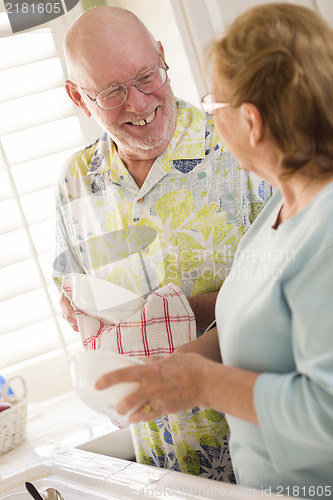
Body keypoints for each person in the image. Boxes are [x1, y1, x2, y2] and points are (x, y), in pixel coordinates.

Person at [94, 3, 333, 496]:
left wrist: (203, 386)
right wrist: (179, 366)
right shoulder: (281, 209)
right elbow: (258, 318)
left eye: (211, 107)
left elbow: (327, 412)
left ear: (251, 122)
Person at [53, 6, 272, 481]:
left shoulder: (242, 148)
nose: (137, 103)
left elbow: (292, 298)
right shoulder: (75, 183)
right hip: (159, 464)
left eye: (146, 76)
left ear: (162, 56)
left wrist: (175, 315)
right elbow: (79, 300)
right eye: (111, 92)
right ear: (77, 97)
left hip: (261, 453)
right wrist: (82, 311)